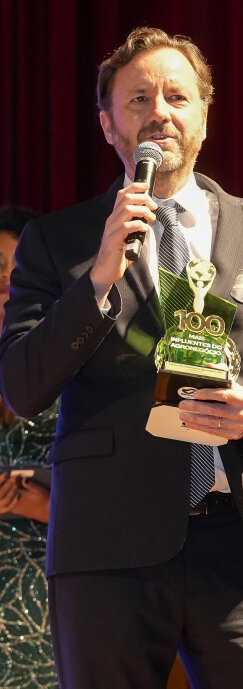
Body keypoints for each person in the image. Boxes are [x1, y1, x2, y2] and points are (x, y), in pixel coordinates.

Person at [0, 28, 243, 687]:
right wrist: (98, 279)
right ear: (107, 124)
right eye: (139, 99)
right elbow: (22, 384)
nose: (160, 112)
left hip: (238, 544)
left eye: (178, 97)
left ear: (204, 115)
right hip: (106, 547)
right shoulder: (56, 241)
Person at [0, 204, 58, 688]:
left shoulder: (71, 353)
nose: (6, 279)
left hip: (52, 574)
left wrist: (47, 505)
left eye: (16, 267)